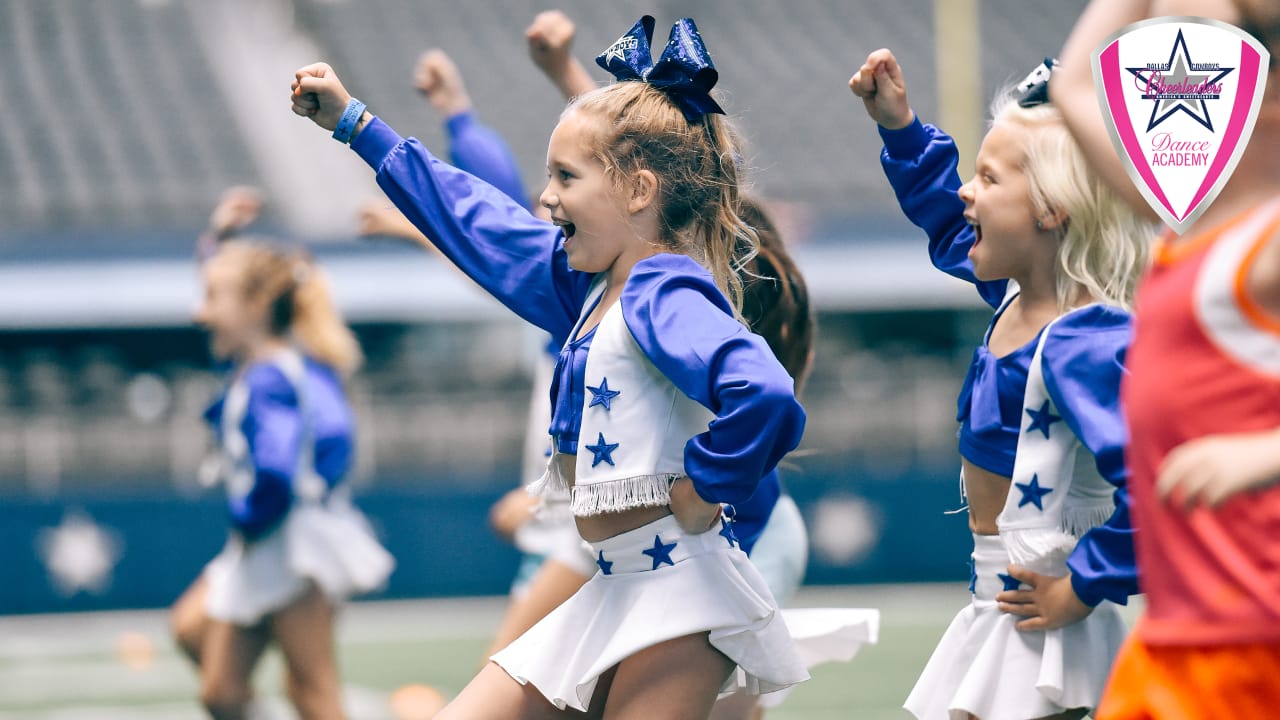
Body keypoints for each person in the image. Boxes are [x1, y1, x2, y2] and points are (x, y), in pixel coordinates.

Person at [292, 14, 809, 719]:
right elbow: (478, 221)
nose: (545, 198)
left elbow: (767, 392)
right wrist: (357, 125)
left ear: (638, 192)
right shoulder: (589, 286)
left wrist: (706, 485)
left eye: (565, 177)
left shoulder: (665, 289)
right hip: (614, 584)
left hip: (679, 596)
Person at [850, 47, 1149, 719]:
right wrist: (900, 129)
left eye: (987, 178)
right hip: (999, 607)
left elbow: (1156, 479)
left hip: (1048, 625)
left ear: (1050, 208)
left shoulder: (1084, 340)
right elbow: (947, 217)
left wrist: (1084, 584)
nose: (966, 191)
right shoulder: (1014, 297)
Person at [1051, 1, 1280, 717]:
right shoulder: (1189, 221)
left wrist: (1269, 452)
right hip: (1180, 636)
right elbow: (1074, 90)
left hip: (1254, 635)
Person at [170, 192, 394, 720]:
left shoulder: (276, 375)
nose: (199, 314)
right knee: (220, 689)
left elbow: (280, 467)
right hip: (270, 539)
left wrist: (250, 514)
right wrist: (218, 242)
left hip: (292, 544)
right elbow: (233, 290)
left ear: (254, 308)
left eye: (211, 300)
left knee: (314, 693)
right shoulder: (257, 362)